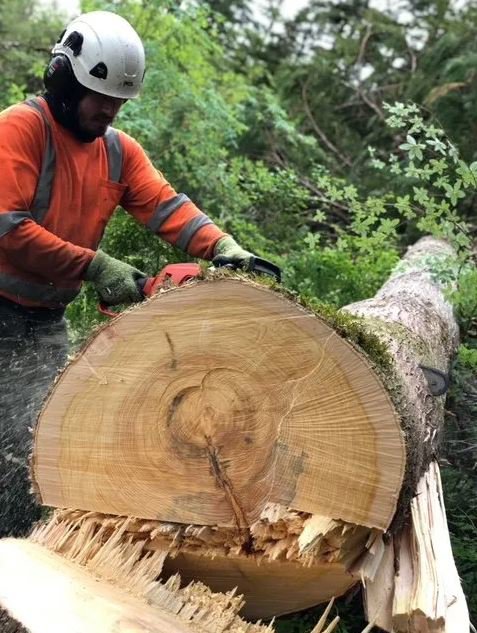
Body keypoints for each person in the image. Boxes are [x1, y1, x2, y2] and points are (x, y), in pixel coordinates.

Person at [0, 10, 255, 538]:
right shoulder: (22, 129)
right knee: (10, 441)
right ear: (66, 82)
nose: (111, 110)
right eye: (102, 98)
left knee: (37, 442)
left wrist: (223, 247)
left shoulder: (118, 151)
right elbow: (7, 227)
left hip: (45, 320)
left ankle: (17, 554)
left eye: (119, 101)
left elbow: (166, 207)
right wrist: (96, 266)